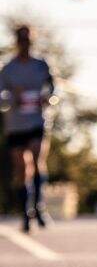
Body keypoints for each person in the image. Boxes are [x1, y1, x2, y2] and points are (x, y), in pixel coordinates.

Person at [0, 26, 54, 232]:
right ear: (17, 42)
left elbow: (51, 88)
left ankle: (39, 206)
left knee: (38, 159)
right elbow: (1, 95)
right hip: (15, 124)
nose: (25, 44)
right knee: (21, 168)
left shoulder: (41, 65)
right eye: (21, 40)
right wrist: (13, 98)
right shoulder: (8, 69)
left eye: (28, 40)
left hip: (36, 121)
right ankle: (25, 212)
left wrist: (47, 98)